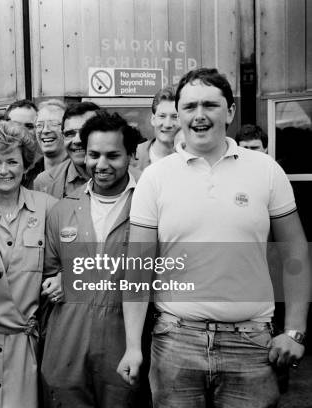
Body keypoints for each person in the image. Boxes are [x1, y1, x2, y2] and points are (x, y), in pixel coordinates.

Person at [117, 68, 310, 407]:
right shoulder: (155, 178)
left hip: (251, 345)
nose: (199, 115)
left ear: (230, 112)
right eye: (189, 107)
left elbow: (295, 249)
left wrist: (294, 330)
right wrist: (133, 345)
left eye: (210, 105)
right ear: (179, 114)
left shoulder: (266, 171)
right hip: (175, 342)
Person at [41, 110, 142, 407]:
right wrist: (56, 279)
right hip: (67, 344)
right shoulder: (62, 210)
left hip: (123, 339)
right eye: (94, 154)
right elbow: (48, 272)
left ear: (131, 155)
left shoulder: (147, 208)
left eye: (113, 155)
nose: (101, 164)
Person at [0, 121, 58, 408]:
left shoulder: (49, 207)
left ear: (26, 164)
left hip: (26, 344)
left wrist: (64, 277)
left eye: (11, 161)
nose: (3, 170)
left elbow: (75, 261)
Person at [33, 102, 99, 198]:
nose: (77, 140)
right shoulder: (44, 182)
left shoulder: (125, 175)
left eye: (86, 132)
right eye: (70, 133)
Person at [133, 87, 180, 171]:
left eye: (174, 117)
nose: (167, 124)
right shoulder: (134, 155)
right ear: (153, 119)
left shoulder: (191, 157)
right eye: (162, 116)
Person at [24, 99, 68, 188]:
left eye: (54, 124)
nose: (45, 130)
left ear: (67, 129)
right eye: (39, 125)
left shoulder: (80, 174)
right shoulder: (26, 174)